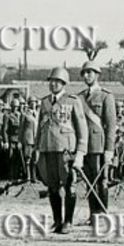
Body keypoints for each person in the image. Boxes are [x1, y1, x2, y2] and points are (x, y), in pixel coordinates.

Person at [35, 67, 88, 233]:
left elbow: (82, 128)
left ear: (64, 83)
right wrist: (37, 148)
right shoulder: (44, 102)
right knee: (52, 186)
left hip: (66, 151)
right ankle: (57, 221)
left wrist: (80, 152)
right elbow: (40, 129)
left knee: (69, 185)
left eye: (57, 82)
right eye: (52, 81)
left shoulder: (72, 101)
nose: (54, 84)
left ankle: (68, 222)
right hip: (48, 149)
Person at [76, 60, 117, 227]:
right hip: (85, 146)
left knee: (101, 181)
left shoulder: (106, 96)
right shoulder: (79, 97)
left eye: (90, 73)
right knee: (89, 181)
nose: (86, 76)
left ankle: (102, 214)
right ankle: (93, 215)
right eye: (84, 73)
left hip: (99, 146)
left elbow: (111, 125)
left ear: (97, 75)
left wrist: (109, 149)